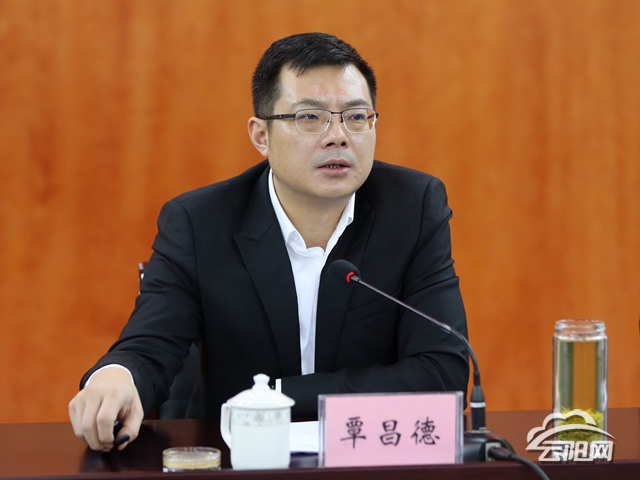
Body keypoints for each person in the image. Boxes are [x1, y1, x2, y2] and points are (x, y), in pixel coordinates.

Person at [69, 32, 469, 452]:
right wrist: (116, 377)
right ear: (261, 136)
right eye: (310, 117)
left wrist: (277, 396)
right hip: (238, 457)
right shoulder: (199, 223)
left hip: (369, 456)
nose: (338, 136)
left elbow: (443, 372)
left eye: (355, 116)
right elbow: (150, 345)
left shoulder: (412, 208)